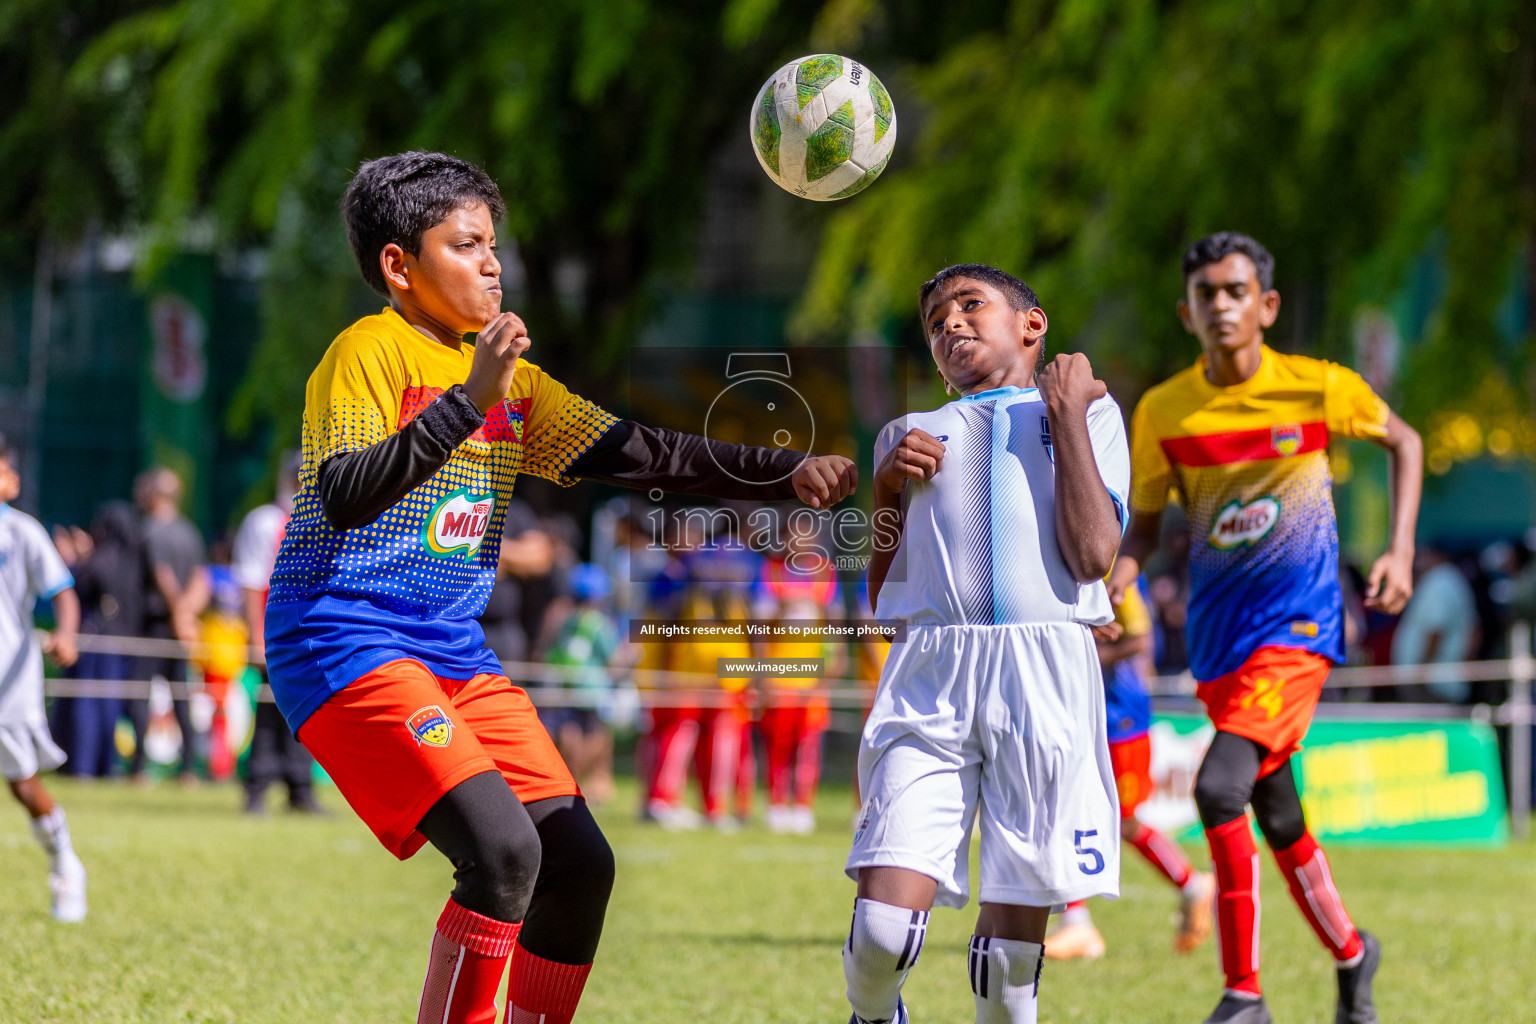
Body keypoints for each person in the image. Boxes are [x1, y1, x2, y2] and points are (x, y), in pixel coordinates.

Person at [261, 151, 856, 1024]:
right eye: (466, 245)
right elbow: (346, 496)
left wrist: (784, 471)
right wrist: (467, 402)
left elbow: (642, 452)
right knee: (502, 856)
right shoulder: (368, 351)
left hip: (451, 649)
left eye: (494, 244)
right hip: (341, 637)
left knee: (579, 864)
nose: (494, 263)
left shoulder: (513, 383)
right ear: (400, 266)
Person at [1110, 232, 1422, 1024]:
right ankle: (1354, 953)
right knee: (1277, 813)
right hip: (1220, 646)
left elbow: (1405, 440)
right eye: (1207, 293)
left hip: (1299, 633)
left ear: (1267, 305)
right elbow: (1141, 533)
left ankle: (1243, 994)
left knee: (1219, 788)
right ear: (1186, 311)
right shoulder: (1162, 412)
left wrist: (1400, 550)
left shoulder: (1315, 388)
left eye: (1236, 290)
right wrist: (1107, 585)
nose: (1222, 304)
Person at [844, 264, 1128, 1024]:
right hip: (933, 673)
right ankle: (875, 1015)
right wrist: (885, 493)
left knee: (1010, 967)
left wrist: (1065, 414)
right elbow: (884, 597)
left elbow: (1094, 556)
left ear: (1032, 325)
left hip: (1044, 676)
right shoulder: (906, 434)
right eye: (936, 320)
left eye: (970, 305)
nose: (950, 324)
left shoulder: (1090, 412)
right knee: (880, 932)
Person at [1043, 578, 1214, 960]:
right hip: (1088, 712)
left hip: (1122, 719)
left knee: (1121, 821)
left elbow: (1141, 640)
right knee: (1067, 811)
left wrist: (1088, 654)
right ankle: (1078, 923)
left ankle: (1190, 885)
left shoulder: (1116, 572)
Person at [0, 435, 86, 922]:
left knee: (22, 784)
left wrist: (67, 635)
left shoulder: (23, 533)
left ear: (11, 482)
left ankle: (65, 865)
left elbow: (63, 593)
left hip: (9, 681)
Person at [231, 452, 320, 813]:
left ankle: (300, 789)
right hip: (276, 634)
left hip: (312, 635)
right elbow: (252, 582)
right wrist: (256, 638)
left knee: (308, 712)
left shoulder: (322, 520)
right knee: (269, 712)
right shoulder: (266, 521)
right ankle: (257, 787)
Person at [133, 466, 211, 783]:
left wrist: (179, 612)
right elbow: (200, 578)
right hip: (182, 626)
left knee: (140, 694)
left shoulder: (149, 529)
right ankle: (189, 768)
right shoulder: (189, 531)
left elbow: (161, 575)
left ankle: (138, 768)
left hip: (154, 623)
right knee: (182, 695)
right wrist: (189, 614)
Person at [540, 563, 627, 805]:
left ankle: (571, 779)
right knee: (596, 735)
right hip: (592, 691)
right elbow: (614, 660)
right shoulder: (600, 623)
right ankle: (583, 782)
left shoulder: (567, 621)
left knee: (570, 733)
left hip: (566, 685)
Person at [1390, 544, 1478, 702]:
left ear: (1437, 555)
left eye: (1424, 555)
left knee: (1426, 726)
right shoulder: (1451, 580)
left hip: (1432, 684)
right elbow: (1474, 632)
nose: (1418, 561)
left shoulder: (1441, 580)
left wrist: (1421, 671)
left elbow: (1436, 628)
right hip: (1439, 681)